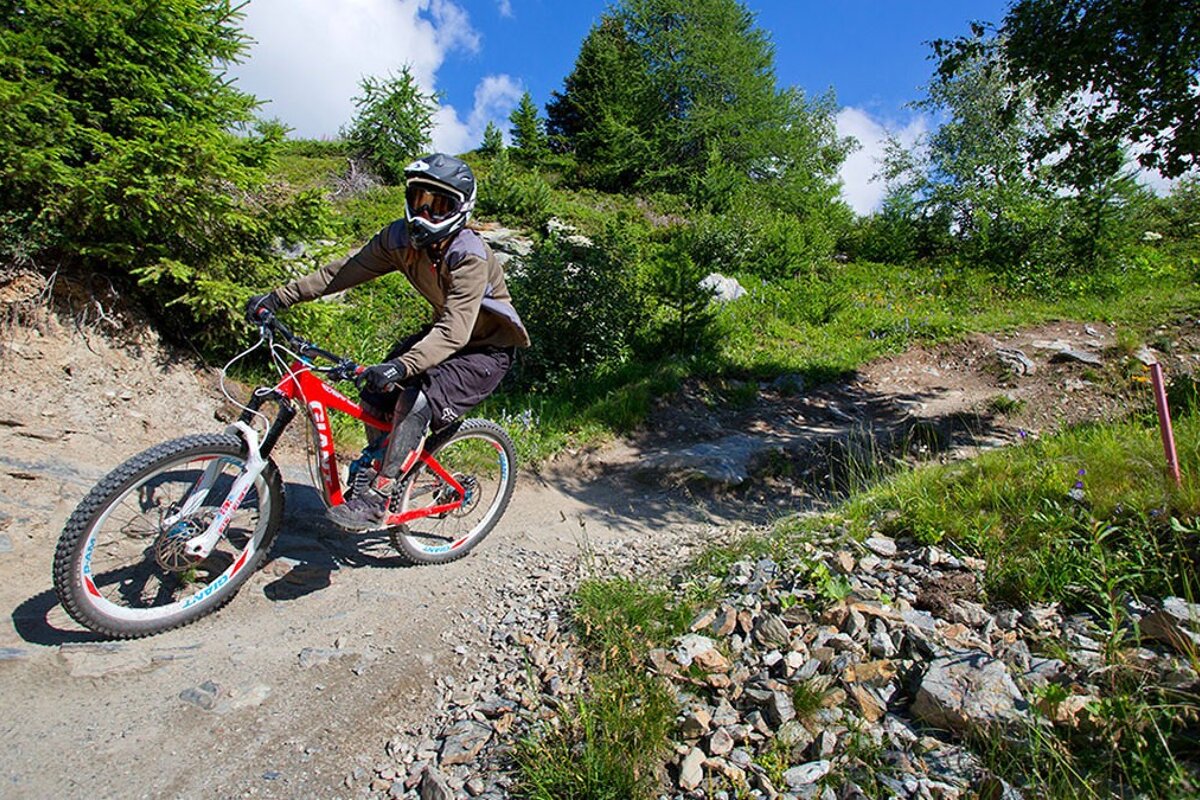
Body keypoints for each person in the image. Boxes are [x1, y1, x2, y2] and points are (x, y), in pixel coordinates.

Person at [246, 153, 530, 531]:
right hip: (444, 335)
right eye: (419, 201)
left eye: (438, 205)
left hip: (485, 350)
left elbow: (454, 331)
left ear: (460, 209)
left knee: (416, 398)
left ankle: (378, 495)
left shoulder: (469, 255)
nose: (424, 214)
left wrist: (403, 366)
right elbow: (341, 272)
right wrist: (279, 298)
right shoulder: (398, 240)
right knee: (376, 392)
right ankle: (382, 461)